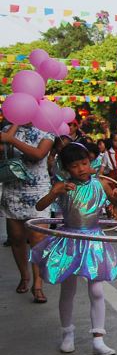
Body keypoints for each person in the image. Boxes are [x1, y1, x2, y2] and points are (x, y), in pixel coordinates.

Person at [31, 143, 117, 355]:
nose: (81, 169)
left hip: (94, 241)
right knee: (68, 290)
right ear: (66, 169)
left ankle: (99, 339)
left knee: (97, 290)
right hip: (70, 241)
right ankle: (67, 333)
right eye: (74, 166)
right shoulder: (65, 187)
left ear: (90, 162)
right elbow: (39, 208)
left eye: (84, 163)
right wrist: (53, 192)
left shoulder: (100, 184)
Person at [1, 123, 54, 303]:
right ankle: (24, 276)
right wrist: (13, 128)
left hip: (38, 191)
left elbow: (39, 154)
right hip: (12, 190)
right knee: (16, 238)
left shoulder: (46, 130)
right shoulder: (7, 129)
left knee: (38, 240)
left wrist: (11, 140)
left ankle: (38, 285)